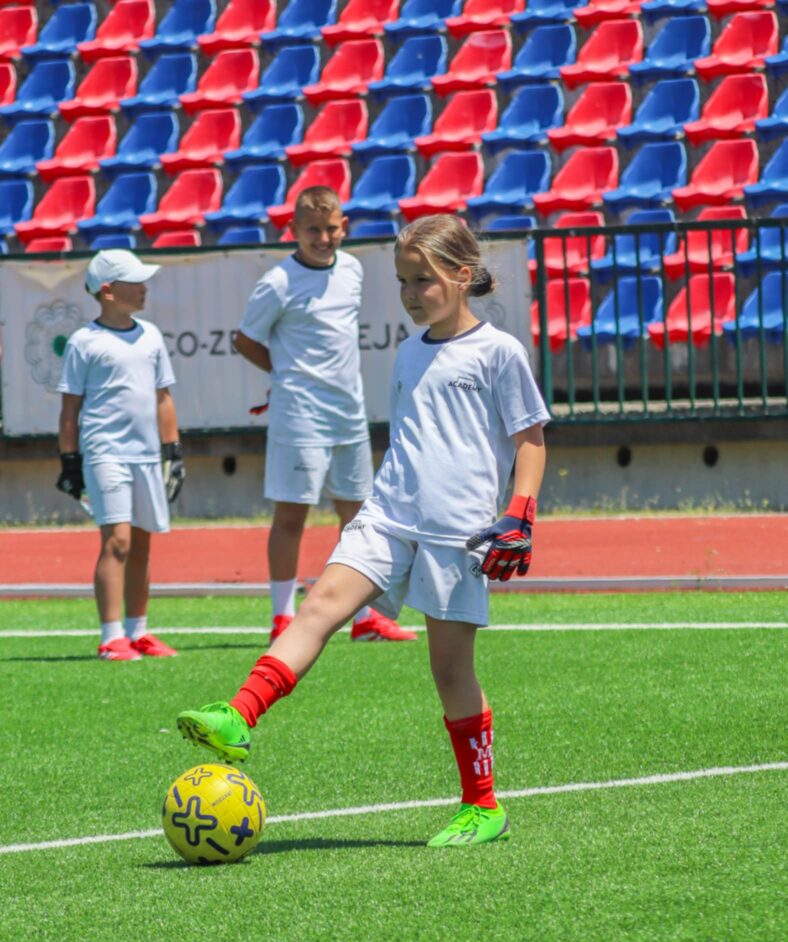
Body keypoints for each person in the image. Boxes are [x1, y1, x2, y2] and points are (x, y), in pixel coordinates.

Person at [177, 214, 549, 847]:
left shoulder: (499, 351)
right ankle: (239, 714)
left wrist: (520, 513)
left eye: (422, 280)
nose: (410, 294)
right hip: (386, 516)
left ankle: (483, 805)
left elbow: (530, 439)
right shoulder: (408, 350)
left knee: (450, 671)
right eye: (402, 281)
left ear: (463, 276)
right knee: (320, 603)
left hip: (456, 534)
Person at [232, 185, 417, 644]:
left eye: (331, 228)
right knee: (292, 515)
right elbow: (245, 340)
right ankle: (281, 617)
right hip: (299, 415)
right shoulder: (278, 281)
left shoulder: (352, 269)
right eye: (312, 230)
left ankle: (364, 617)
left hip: (349, 412)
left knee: (358, 516)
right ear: (293, 230)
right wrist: (287, 374)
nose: (323, 238)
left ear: (344, 227)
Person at [56, 250, 186, 662]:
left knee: (142, 543)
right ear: (108, 291)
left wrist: (172, 452)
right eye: (136, 282)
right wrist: (70, 460)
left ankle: (138, 632)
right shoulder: (83, 342)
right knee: (118, 541)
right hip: (104, 453)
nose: (145, 288)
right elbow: (70, 409)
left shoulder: (151, 335)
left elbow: (163, 398)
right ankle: (111, 637)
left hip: (146, 455)